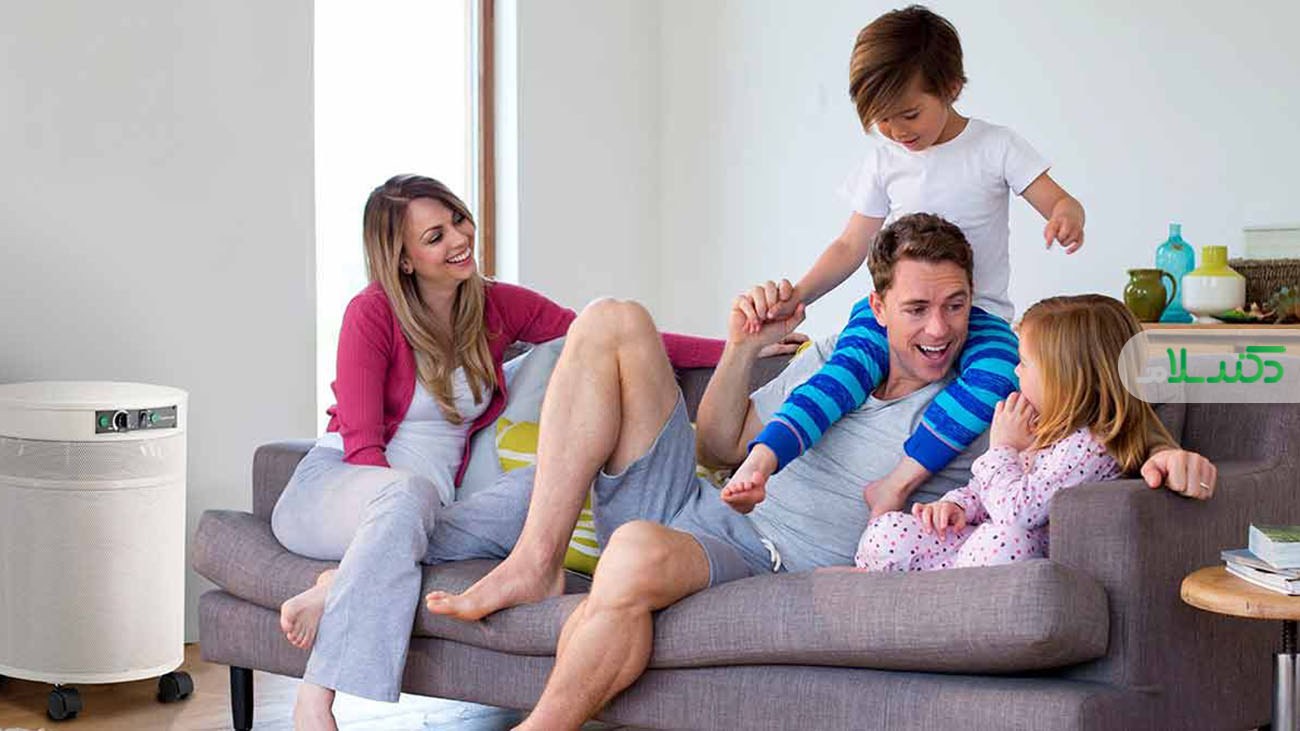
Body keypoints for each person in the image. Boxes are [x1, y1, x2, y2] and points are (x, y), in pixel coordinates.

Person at [426, 213, 1216, 730]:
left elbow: (1095, 413)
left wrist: (1164, 453)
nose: (940, 328)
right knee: (610, 317)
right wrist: (743, 348)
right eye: (917, 308)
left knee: (631, 553)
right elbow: (722, 442)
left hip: (764, 550)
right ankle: (535, 560)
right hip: (701, 498)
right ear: (878, 305)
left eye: (956, 304)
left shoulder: (984, 396)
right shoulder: (839, 359)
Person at [268, 174, 771, 730]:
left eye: (457, 220)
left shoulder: (494, 305)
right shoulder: (371, 313)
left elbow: (608, 339)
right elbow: (364, 448)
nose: (458, 239)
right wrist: (393, 526)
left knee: (551, 484)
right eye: (434, 237)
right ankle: (316, 697)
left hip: (436, 510)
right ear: (404, 260)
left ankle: (339, 584)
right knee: (404, 496)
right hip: (340, 492)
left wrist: (741, 347)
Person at [736, 5, 1088, 521]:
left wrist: (1065, 216)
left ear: (951, 88)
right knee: (844, 371)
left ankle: (896, 483)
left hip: (978, 314)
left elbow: (1059, 199)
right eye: (881, 119)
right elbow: (849, 246)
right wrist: (799, 296)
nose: (897, 130)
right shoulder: (885, 161)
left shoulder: (995, 147)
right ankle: (762, 459)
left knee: (997, 375)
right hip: (899, 311)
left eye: (909, 114)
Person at [855, 294, 1181, 571]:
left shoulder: (1090, 447)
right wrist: (957, 506)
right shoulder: (1042, 424)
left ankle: (936, 592)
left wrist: (1003, 448)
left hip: (1012, 553)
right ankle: (907, 582)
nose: (1015, 370)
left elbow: (1016, 514)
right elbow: (985, 489)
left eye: (1024, 363)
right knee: (888, 530)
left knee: (1003, 538)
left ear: (1065, 379)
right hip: (976, 548)